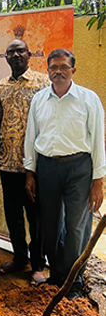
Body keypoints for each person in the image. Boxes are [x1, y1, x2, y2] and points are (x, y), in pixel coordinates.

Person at [25, 49, 105, 298]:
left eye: (64, 67)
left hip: (79, 168)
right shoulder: (39, 99)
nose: (58, 72)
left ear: (73, 70)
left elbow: (97, 140)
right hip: (47, 167)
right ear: (47, 70)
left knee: (76, 226)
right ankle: (57, 274)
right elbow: (31, 136)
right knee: (49, 225)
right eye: (53, 68)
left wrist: (98, 180)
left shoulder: (88, 99)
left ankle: (74, 280)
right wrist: (30, 172)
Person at [0, 40, 49, 283]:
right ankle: (19, 258)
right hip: (7, 163)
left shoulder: (42, 83)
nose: (15, 55)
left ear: (29, 54)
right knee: (12, 214)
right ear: (6, 57)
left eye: (20, 51)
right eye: (10, 52)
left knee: (35, 216)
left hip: (34, 165)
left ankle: (37, 264)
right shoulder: (1, 86)